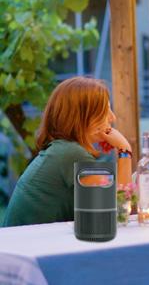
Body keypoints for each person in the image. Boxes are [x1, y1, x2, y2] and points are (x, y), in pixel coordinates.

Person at [3, 77, 132, 227]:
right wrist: (125, 151)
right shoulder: (70, 154)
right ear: (82, 116)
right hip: (26, 242)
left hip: (29, 240)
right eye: (105, 110)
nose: (112, 117)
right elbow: (118, 212)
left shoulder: (63, 149)